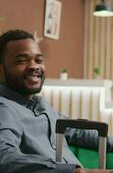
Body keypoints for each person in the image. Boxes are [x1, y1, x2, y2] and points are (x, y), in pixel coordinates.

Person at [0, 29, 112, 173]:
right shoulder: (4, 109)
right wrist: (73, 171)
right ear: (1, 70)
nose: (34, 66)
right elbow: (5, 158)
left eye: (39, 60)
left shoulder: (41, 105)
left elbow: (77, 132)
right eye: (21, 61)